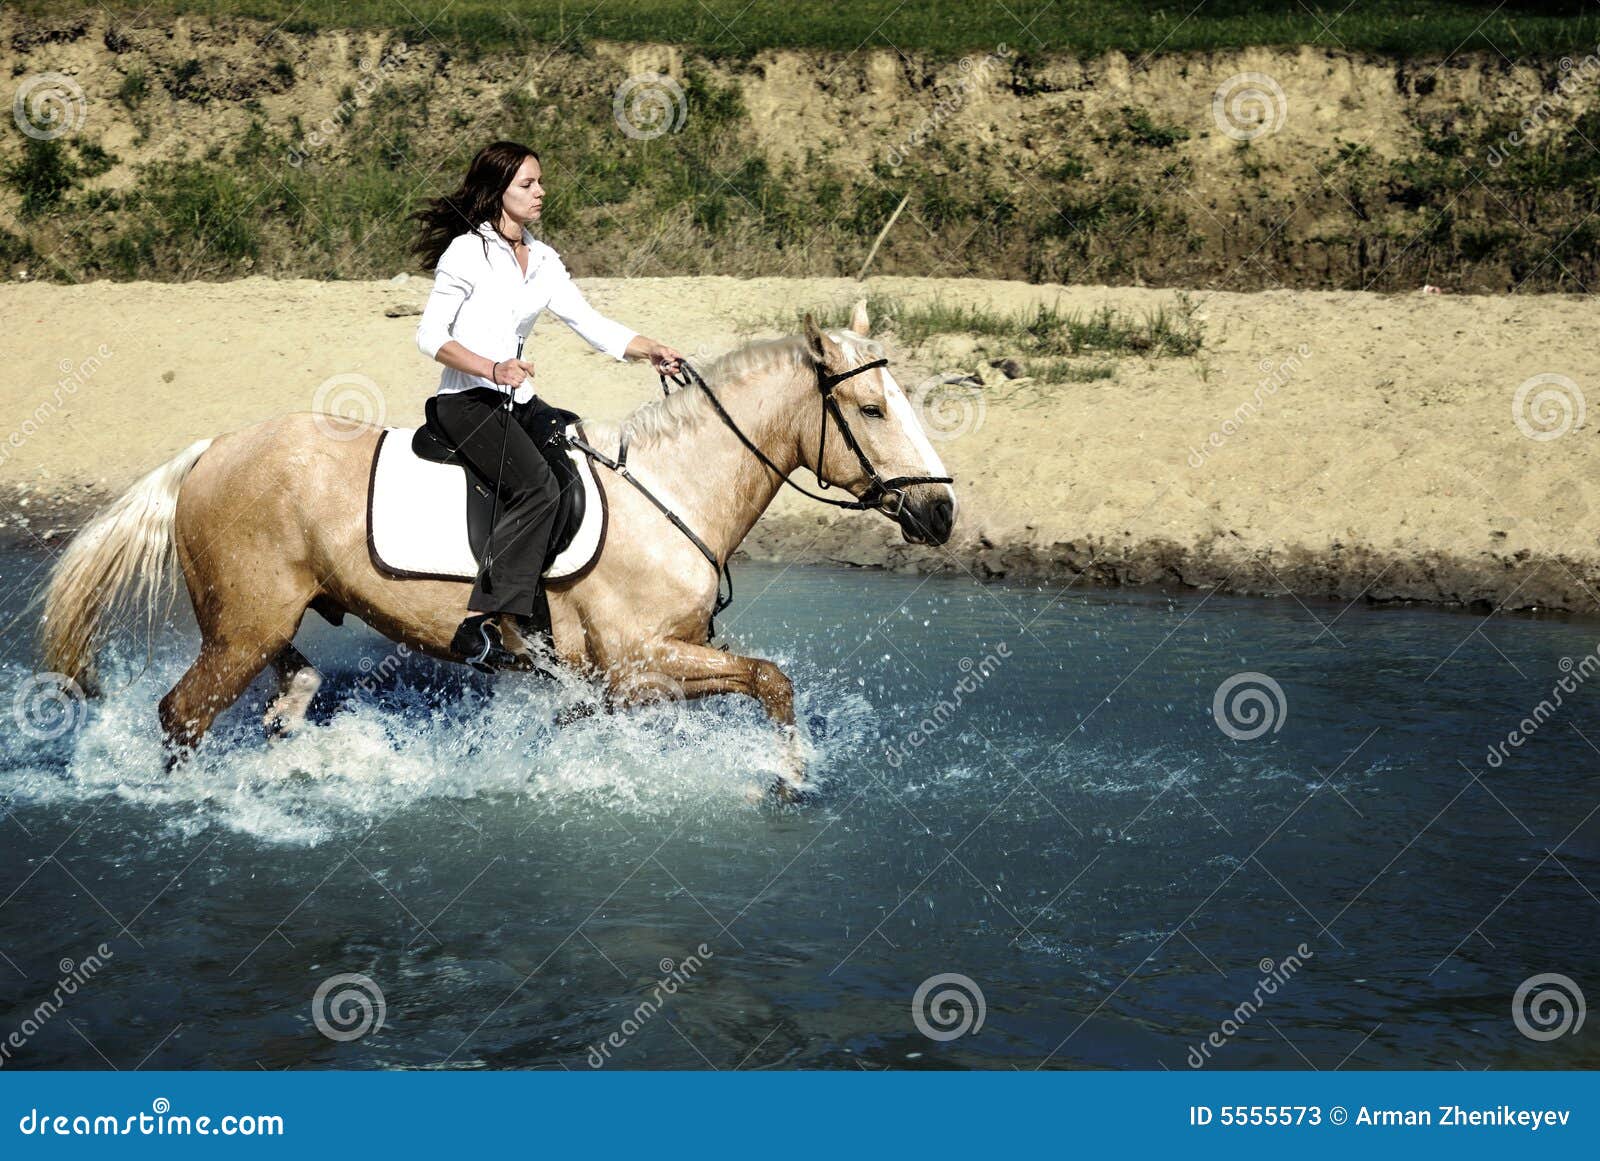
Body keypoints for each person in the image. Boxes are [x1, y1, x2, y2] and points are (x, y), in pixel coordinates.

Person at [411, 140, 684, 671]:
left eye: (540, 182)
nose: (540, 193)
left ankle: (554, 605)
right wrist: (491, 368)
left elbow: (591, 322)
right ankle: (484, 620)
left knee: (580, 466)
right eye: (527, 185)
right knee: (538, 484)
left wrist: (649, 347)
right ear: (498, 193)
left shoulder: (542, 260)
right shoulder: (467, 252)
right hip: (467, 401)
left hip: (519, 399)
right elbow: (428, 336)